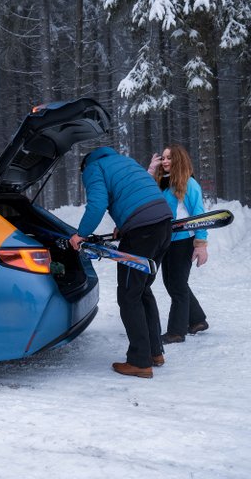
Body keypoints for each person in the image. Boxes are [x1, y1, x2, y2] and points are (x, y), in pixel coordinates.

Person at [69, 146, 173, 379]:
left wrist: (81, 235)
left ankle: (139, 362)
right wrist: (124, 224)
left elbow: (97, 204)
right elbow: (137, 194)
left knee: (129, 295)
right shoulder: (125, 162)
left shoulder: (93, 168)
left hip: (142, 232)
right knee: (142, 289)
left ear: (84, 165)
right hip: (163, 224)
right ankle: (155, 352)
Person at [147, 144, 209, 345]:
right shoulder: (163, 182)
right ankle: (197, 320)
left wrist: (201, 244)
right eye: (163, 158)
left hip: (183, 241)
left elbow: (199, 215)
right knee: (173, 283)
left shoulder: (189, 183)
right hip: (167, 239)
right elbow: (144, 193)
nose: (165, 161)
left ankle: (176, 332)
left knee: (177, 286)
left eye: (169, 158)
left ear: (179, 160)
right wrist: (150, 171)